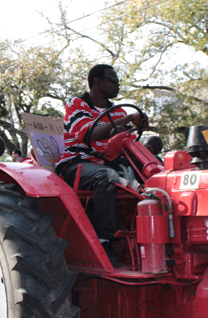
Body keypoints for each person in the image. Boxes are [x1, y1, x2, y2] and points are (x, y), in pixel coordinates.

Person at [55, 64, 148, 267]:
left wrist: (137, 127)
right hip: (77, 163)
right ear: (97, 81)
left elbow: (129, 142)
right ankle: (107, 240)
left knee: (149, 172)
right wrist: (129, 118)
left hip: (108, 162)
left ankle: (151, 233)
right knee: (107, 176)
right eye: (112, 80)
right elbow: (90, 133)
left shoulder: (117, 112)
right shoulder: (77, 104)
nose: (117, 85)